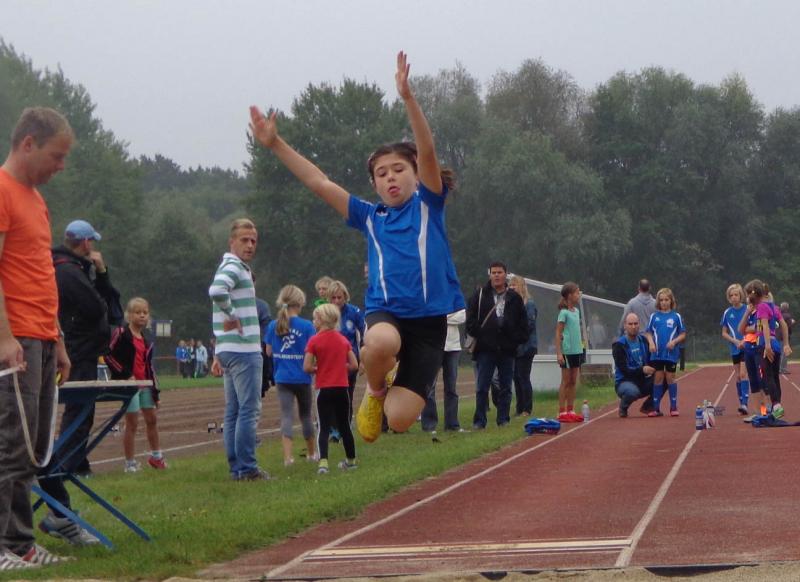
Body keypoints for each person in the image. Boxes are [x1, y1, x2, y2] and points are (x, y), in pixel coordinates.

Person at [249, 52, 464, 443]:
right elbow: (319, 182)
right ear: (374, 184)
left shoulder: (429, 204)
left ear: (416, 174)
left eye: (399, 169)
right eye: (382, 173)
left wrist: (408, 98)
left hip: (429, 322)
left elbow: (428, 150)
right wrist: (276, 143)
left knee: (400, 420)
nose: (390, 177)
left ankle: (389, 392)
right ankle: (377, 388)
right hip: (387, 313)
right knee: (380, 342)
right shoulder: (369, 217)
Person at [0, 107, 74, 569]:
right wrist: (5, 337)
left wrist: (58, 338)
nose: (60, 166)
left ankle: (20, 543)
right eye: (56, 156)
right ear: (28, 144)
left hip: (42, 337)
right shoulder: (2, 190)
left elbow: (41, 273)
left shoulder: (36, 199)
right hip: (16, 339)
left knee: (30, 450)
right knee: (10, 444)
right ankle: (4, 545)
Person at [37, 218, 122, 545]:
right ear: (86, 243)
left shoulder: (69, 268)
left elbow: (109, 308)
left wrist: (100, 276)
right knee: (77, 417)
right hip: (77, 353)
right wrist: (100, 276)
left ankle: (58, 483)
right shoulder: (68, 272)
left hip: (79, 351)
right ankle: (54, 476)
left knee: (79, 417)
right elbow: (100, 309)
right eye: (92, 242)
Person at [209, 218, 268, 481]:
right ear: (231, 241)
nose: (250, 245)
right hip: (243, 349)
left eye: (253, 240)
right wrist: (233, 314)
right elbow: (216, 290)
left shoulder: (229, 265)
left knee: (233, 410)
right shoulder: (235, 266)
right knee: (248, 410)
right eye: (244, 240)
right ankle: (247, 467)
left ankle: (237, 467)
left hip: (227, 347)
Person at [106, 298, 166, 472]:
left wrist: (155, 393)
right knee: (132, 423)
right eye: (138, 312)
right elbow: (108, 355)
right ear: (129, 315)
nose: (142, 315)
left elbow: (149, 367)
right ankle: (130, 463)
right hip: (129, 386)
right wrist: (126, 375)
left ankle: (157, 457)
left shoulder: (147, 341)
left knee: (152, 420)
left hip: (145, 385)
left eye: (145, 312)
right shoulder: (121, 333)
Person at [467, 262, 529, 428]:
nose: (496, 275)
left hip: (507, 350)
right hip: (485, 349)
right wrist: (482, 334)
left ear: (505, 275)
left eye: (499, 272)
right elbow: (470, 320)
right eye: (493, 272)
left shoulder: (514, 298)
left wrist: (514, 339)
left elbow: (523, 324)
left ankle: (503, 419)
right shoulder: (480, 295)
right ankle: (480, 421)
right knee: (482, 387)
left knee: (506, 387)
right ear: (489, 275)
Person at [265, 285, 317, 467]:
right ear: (300, 302)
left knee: (286, 415)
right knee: (306, 415)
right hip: (302, 377)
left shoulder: (273, 325)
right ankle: (312, 453)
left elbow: (268, 351)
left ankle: (288, 458)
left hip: (282, 378)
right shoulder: (307, 326)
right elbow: (313, 351)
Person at [304, 303, 359, 474]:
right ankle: (351, 461)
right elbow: (354, 365)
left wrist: (318, 368)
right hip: (342, 388)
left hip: (324, 388)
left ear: (321, 319)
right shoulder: (342, 340)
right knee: (345, 425)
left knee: (324, 426)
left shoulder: (314, 341)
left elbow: (307, 366)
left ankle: (323, 463)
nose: (313, 321)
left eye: (315, 318)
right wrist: (340, 368)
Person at [327, 280, 365, 424]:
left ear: (345, 297)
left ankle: (345, 426)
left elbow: (365, 334)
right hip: (329, 362)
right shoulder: (324, 313)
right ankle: (332, 428)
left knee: (346, 395)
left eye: (339, 297)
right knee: (330, 395)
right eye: (333, 298)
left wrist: (363, 360)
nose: (336, 301)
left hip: (349, 362)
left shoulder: (354, 312)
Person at [421, 308, 465, 432]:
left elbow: (462, 316)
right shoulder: (431, 299)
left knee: (451, 388)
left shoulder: (453, 298)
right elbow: (427, 316)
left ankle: (452, 424)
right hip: (433, 346)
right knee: (429, 388)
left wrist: (440, 317)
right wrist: (448, 316)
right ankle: (429, 425)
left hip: (453, 347)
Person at [644, 288, 686, 417]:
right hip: (657, 354)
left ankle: (673, 407)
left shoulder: (676, 316)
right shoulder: (654, 316)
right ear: (658, 301)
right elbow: (648, 332)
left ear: (671, 300)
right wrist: (651, 343)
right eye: (661, 300)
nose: (664, 302)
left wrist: (674, 342)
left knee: (670, 379)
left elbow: (683, 334)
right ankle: (656, 408)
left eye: (666, 300)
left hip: (670, 354)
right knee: (658, 379)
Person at [613, 313, 655, 417]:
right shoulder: (619, 345)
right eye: (630, 324)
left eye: (636, 324)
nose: (633, 327)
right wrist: (642, 370)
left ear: (639, 325)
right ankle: (623, 407)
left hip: (642, 380)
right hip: (624, 381)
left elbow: (651, 361)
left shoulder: (643, 341)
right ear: (625, 326)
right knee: (632, 392)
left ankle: (648, 406)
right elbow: (624, 370)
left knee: (662, 379)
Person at [555, 282, 585, 422]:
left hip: (577, 350)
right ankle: (561, 411)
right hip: (567, 351)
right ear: (569, 295)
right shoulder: (564, 313)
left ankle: (570, 409)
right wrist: (559, 353)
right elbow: (558, 333)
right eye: (577, 293)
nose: (579, 295)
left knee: (573, 381)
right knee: (565, 381)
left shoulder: (576, 311)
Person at [509, 275, 537, 416]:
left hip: (527, 346)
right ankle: (519, 408)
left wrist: (516, 333)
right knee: (516, 377)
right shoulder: (511, 304)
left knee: (523, 376)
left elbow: (530, 324)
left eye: (514, 285)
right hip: (515, 347)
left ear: (521, 287)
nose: (512, 287)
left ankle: (527, 408)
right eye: (510, 285)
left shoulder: (529, 304)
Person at [720, 284, 749, 415]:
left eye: (736, 295)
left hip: (747, 346)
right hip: (735, 347)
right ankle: (741, 402)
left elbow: (753, 327)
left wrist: (744, 340)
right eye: (731, 295)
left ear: (740, 295)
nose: (734, 297)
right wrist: (735, 341)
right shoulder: (727, 313)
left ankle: (745, 404)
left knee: (743, 374)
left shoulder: (747, 309)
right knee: (738, 376)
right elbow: (724, 333)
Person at [779, 302, 794, 373]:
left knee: (779, 352)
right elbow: (789, 327)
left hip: (777, 336)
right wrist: (791, 322)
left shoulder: (778, 315)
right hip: (784, 336)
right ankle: (783, 368)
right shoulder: (787, 316)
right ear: (787, 308)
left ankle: (778, 368)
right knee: (785, 352)